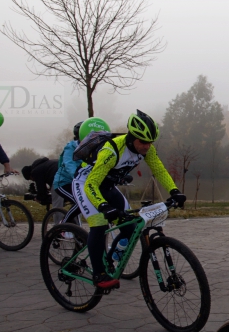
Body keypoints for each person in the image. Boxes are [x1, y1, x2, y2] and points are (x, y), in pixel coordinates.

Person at [71, 110, 186, 289]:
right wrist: (103, 206)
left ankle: (110, 259)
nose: (147, 146)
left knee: (130, 228)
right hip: (86, 184)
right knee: (99, 224)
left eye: (150, 142)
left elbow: (159, 171)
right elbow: (91, 184)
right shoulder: (112, 150)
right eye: (143, 142)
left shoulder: (147, 150)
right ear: (132, 137)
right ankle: (99, 274)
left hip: (107, 187)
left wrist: (174, 190)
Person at [52, 121, 83, 224]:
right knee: (80, 203)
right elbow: (69, 163)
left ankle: (78, 233)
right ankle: (62, 225)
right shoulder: (71, 146)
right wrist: (77, 175)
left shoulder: (94, 148)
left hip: (80, 182)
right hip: (64, 183)